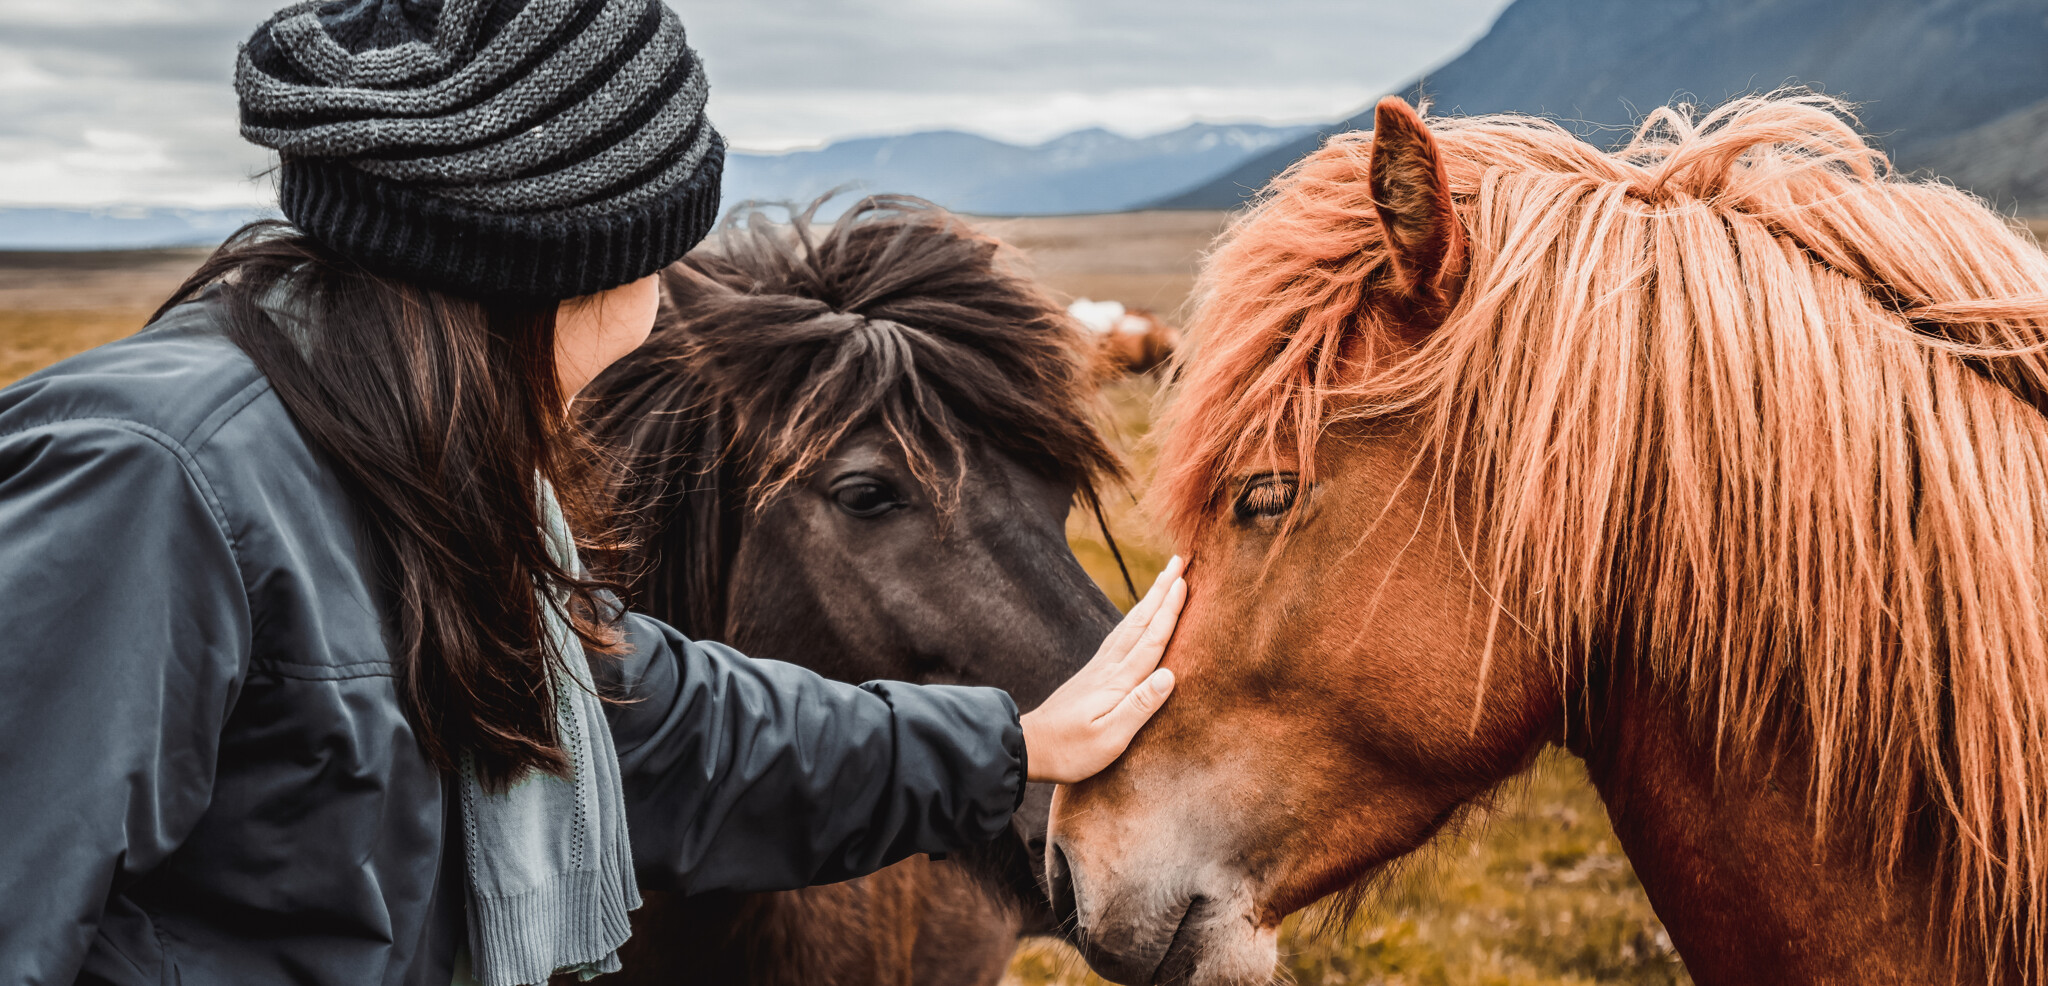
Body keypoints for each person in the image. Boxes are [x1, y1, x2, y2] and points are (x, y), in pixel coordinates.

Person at [0, 1, 1185, 984]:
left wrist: (1009, 743)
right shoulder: (158, 480)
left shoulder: (413, 464)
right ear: (550, 278)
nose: (666, 302)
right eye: (654, 261)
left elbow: (656, 729)